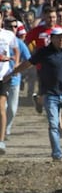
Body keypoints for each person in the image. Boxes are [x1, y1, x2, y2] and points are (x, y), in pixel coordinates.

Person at [5, 27, 62, 160]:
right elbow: (29, 63)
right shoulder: (43, 52)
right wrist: (14, 72)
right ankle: (57, 154)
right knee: (53, 125)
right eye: (58, 37)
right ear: (52, 39)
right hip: (51, 94)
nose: (61, 39)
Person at [4, 17, 31, 139]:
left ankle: (7, 128)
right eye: (10, 26)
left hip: (14, 80)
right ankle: (2, 131)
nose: (13, 29)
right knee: (2, 107)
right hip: (1, 79)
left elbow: (29, 60)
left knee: (12, 109)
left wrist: (18, 69)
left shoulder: (20, 43)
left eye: (15, 27)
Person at [0, 11, 19, 155]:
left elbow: (16, 50)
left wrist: (15, 67)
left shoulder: (8, 35)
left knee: (2, 108)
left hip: (3, 76)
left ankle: (1, 141)